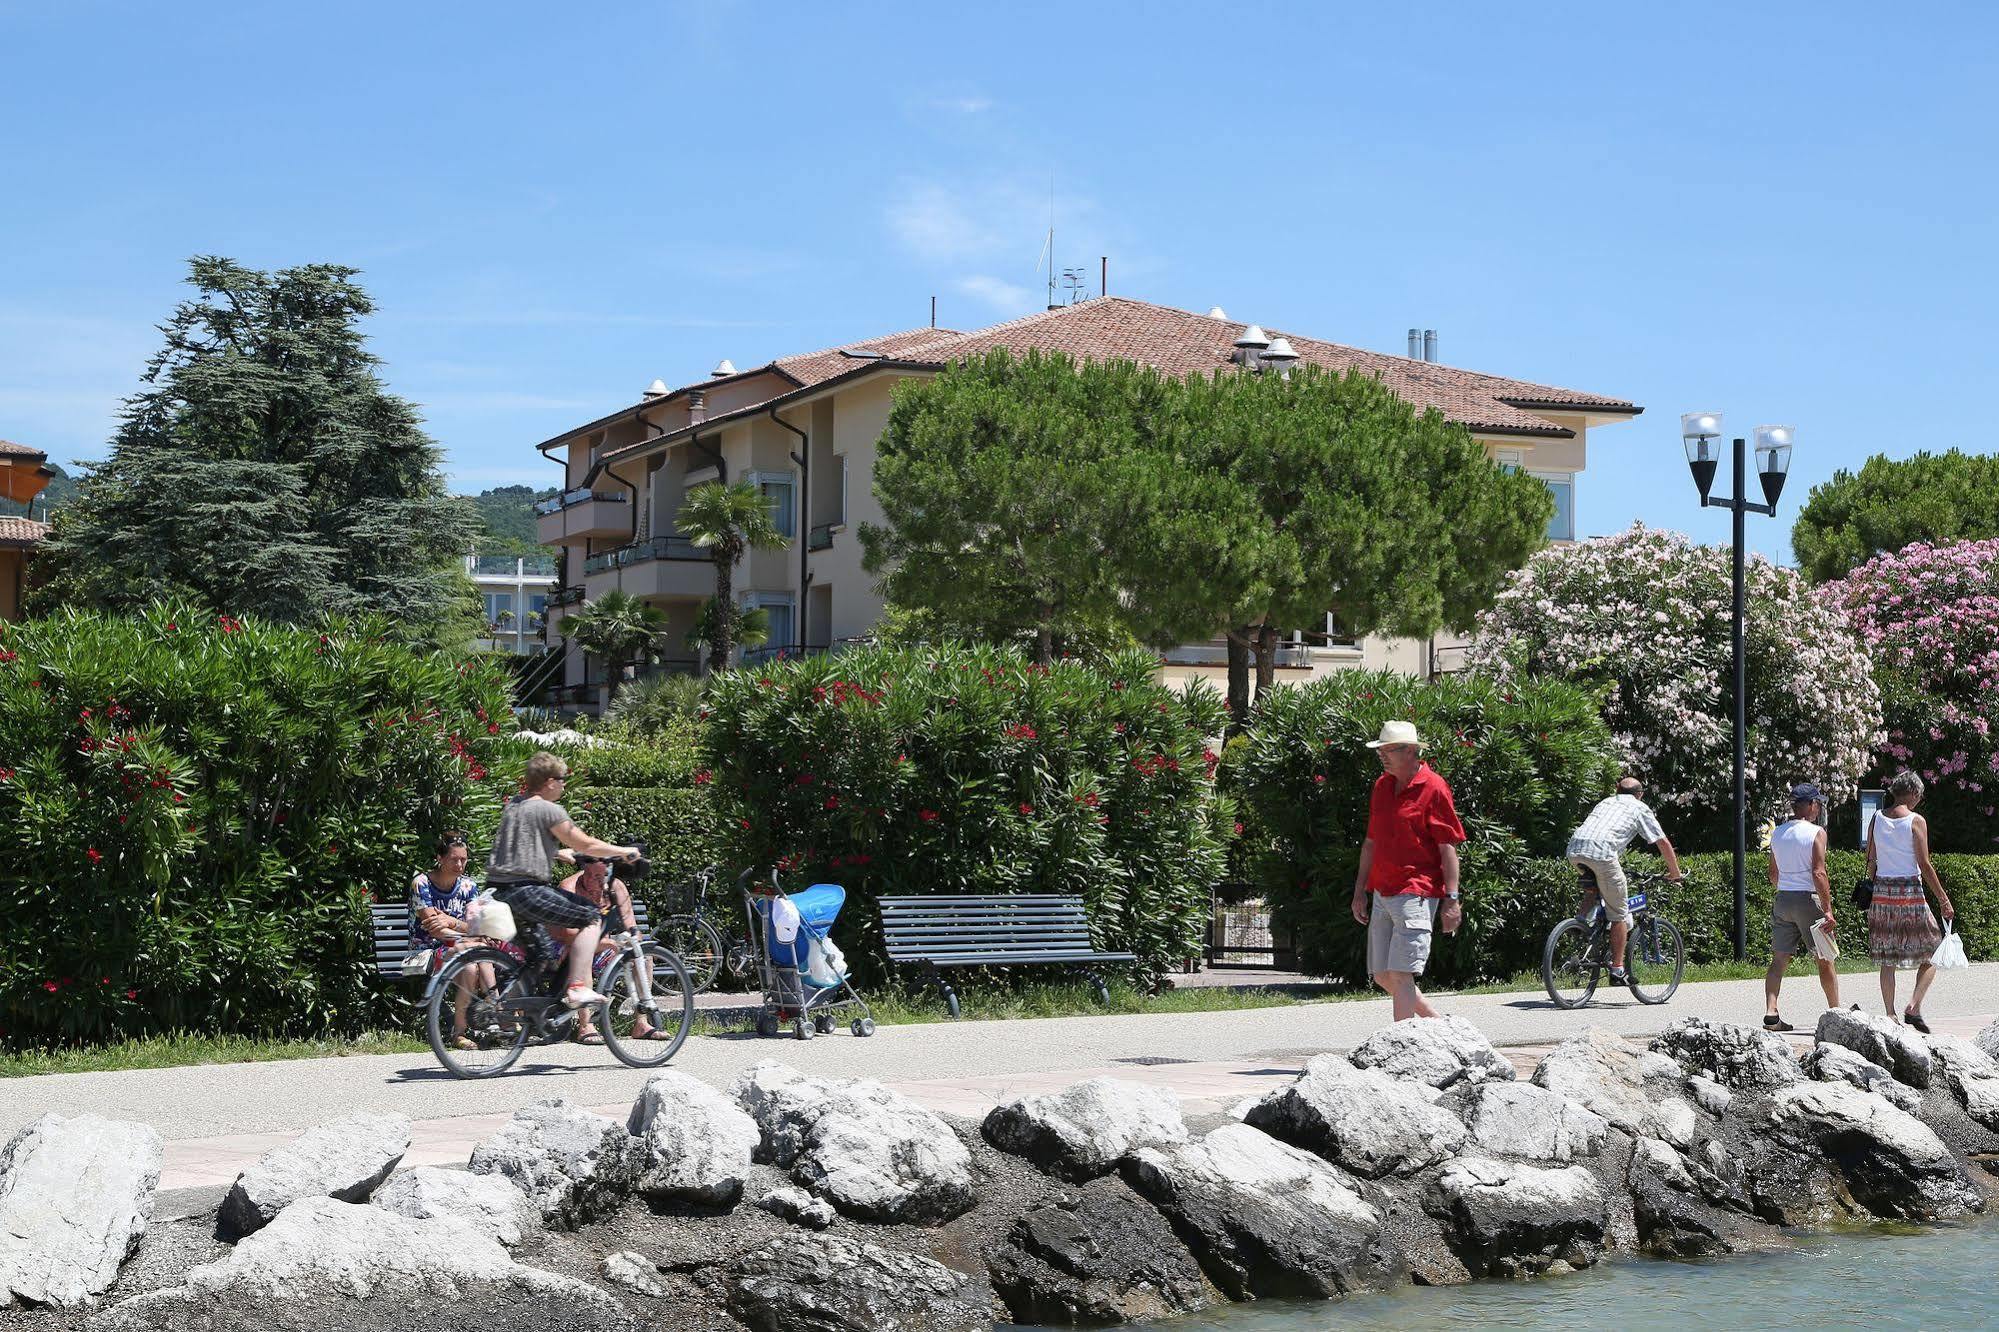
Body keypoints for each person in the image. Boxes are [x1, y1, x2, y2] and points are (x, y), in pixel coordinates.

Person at [484, 751, 642, 1012]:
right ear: (549, 782)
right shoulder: (548, 809)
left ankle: (504, 1015)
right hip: (528, 891)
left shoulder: (514, 805)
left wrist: (555, 852)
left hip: (500, 893)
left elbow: (517, 845)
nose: (564, 784)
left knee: (541, 956)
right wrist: (623, 851)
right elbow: (585, 843)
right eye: (562, 779)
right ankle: (578, 985)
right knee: (591, 916)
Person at [1351, 720, 1467, 1022]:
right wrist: (1359, 892)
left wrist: (1451, 899)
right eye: (1381, 750)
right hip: (1382, 890)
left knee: (1402, 974)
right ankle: (1440, 1026)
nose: (1382, 755)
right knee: (1382, 974)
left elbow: (1447, 848)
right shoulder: (1382, 786)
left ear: (1411, 751)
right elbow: (1370, 843)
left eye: (1388, 750)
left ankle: (1402, 1047)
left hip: (1416, 892)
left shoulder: (1434, 788)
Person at [1566, 777, 1686, 984]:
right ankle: (1618, 969)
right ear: (1640, 794)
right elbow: (1663, 843)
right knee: (1619, 914)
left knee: (1594, 889)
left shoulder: (1605, 802)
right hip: (1603, 854)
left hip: (1575, 850)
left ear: (1617, 789)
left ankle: (1581, 923)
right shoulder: (1639, 807)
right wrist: (1675, 874)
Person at [1865, 770, 1954, 1032]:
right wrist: (1943, 899)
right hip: (1909, 892)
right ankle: (1913, 1006)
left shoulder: (1876, 818)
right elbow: (1924, 864)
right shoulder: (1916, 821)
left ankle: (1890, 1014)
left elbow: (1870, 859)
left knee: (1887, 957)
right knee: (1934, 950)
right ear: (1913, 794)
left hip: (1882, 891)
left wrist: (1871, 888)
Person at [556, 854, 668, 1044]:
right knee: (585, 958)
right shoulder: (569, 888)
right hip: (568, 948)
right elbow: (569, 934)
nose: (598, 882)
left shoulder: (616, 887)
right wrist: (608, 943)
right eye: (593, 876)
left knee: (642, 958)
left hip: (603, 948)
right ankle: (585, 1026)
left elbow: (633, 928)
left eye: (603, 877)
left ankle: (641, 1023)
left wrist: (629, 941)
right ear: (584, 871)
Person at [1764, 783, 1840, 1032]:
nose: (1818, 807)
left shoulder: (1778, 833)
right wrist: (1827, 909)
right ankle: (1835, 1013)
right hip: (1808, 899)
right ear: (1809, 806)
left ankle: (1771, 1012)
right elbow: (1819, 871)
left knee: (1779, 959)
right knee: (1825, 958)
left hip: (1783, 898)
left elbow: (1773, 874)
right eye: (1817, 803)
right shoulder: (1817, 832)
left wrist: (1787, 885)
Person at [410, 831, 489, 1050]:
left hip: (462, 948)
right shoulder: (421, 883)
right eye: (454, 859)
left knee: (474, 962)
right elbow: (434, 931)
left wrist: (451, 922)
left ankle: (466, 1030)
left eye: (463, 859)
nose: (459, 864)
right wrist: (465, 930)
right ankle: (493, 1015)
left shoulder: (468, 887)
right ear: (440, 858)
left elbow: (478, 927)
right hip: (426, 951)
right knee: (476, 955)